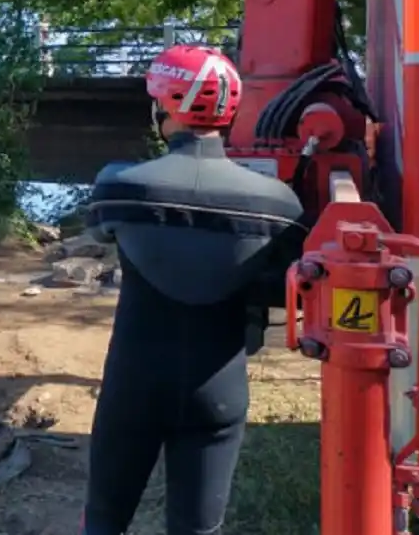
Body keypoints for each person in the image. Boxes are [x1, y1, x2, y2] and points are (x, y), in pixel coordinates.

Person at [80, 45, 305, 535]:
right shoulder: (279, 206)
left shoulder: (121, 186)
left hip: (134, 384)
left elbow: (101, 230)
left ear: (165, 106)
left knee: (104, 523)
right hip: (219, 391)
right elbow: (284, 277)